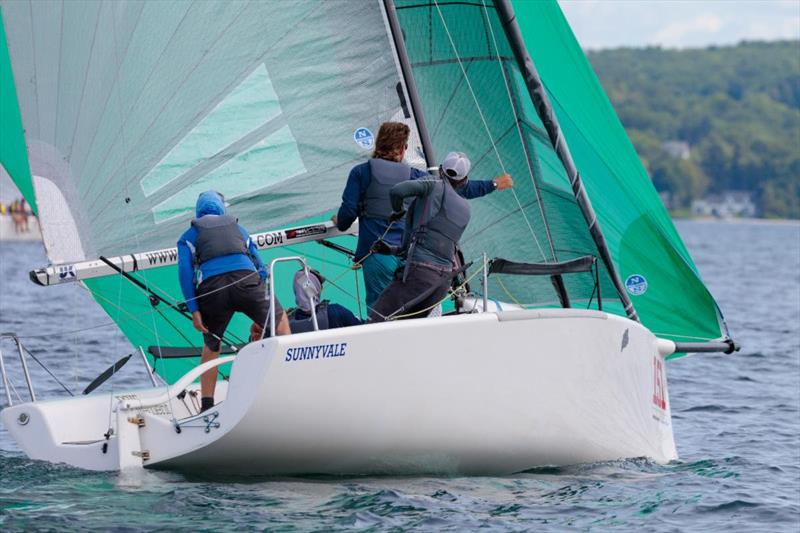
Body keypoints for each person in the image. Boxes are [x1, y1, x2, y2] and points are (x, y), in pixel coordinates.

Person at [333, 122, 512, 309]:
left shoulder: (361, 172)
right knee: (411, 311)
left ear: (378, 145)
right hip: (411, 258)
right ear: (403, 149)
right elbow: (456, 188)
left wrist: (340, 221)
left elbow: (347, 216)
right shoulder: (417, 176)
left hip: (377, 255)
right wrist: (494, 184)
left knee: (380, 313)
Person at [177, 191, 290, 412]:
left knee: (212, 346)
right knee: (281, 324)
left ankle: (207, 406)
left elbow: (184, 272)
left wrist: (194, 310)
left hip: (213, 290)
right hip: (248, 282)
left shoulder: (188, 236)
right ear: (222, 209)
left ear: (198, 211)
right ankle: (285, 388)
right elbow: (261, 267)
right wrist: (265, 301)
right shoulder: (238, 229)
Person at [368, 152, 479, 322]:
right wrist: (390, 249)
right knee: (406, 328)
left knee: (377, 320)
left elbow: (397, 191)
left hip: (419, 274)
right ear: (464, 181)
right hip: (441, 283)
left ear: (441, 170)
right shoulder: (467, 209)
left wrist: (398, 211)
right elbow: (426, 245)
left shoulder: (432, 183)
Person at [287, 269, 362, 332]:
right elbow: (364, 329)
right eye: (319, 284)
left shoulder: (285, 322)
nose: (321, 288)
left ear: (295, 289)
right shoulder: (335, 311)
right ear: (315, 287)